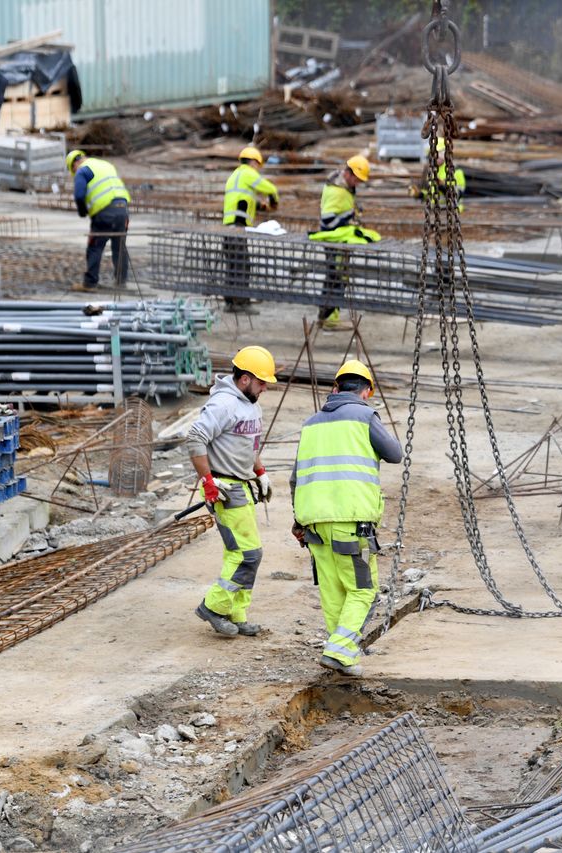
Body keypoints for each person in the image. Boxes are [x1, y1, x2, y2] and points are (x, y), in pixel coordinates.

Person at [290, 360, 402, 676]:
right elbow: (394, 453)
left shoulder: (311, 423)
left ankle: (343, 654)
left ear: (335, 388)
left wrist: (298, 521)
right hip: (352, 523)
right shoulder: (365, 416)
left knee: (333, 590)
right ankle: (339, 651)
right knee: (364, 590)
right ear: (367, 391)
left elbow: (295, 477)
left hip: (313, 524)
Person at [188, 345, 278, 638]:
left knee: (245, 553)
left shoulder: (252, 406)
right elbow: (195, 438)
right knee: (246, 554)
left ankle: (236, 613)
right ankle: (213, 607)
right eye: (262, 381)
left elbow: (249, 446)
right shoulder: (223, 405)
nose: (265, 387)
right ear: (245, 379)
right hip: (225, 488)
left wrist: (260, 472)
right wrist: (208, 481)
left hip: (242, 486)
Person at [308, 155, 379, 330]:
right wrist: (350, 215)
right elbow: (328, 222)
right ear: (348, 174)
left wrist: (351, 211)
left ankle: (326, 317)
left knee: (335, 277)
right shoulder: (337, 191)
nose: (358, 183)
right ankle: (329, 319)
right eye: (357, 179)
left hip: (338, 241)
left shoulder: (341, 186)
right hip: (335, 241)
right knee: (336, 278)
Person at [221, 146, 280, 315]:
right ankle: (241, 303)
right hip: (238, 227)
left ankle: (231, 302)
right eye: (257, 165)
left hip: (228, 226)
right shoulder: (248, 173)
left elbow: (242, 199)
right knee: (242, 265)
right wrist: (273, 202)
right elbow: (270, 188)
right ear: (254, 162)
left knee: (233, 264)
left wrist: (260, 205)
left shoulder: (235, 176)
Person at [67, 149, 131, 292]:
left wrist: (82, 211)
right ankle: (121, 282)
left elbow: (79, 195)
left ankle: (90, 283)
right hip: (123, 209)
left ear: (74, 164)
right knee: (119, 247)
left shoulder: (83, 170)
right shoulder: (106, 165)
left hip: (105, 212)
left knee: (95, 246)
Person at [418, 137, 465, 213]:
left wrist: (442, 186)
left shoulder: (456, 171)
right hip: (435, 212)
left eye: (437, 154)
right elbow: (430, 194)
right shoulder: (431, 172)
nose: (434, 157)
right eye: (432, 154)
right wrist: (420, 194)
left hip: (453, 212)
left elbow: (458, 195)